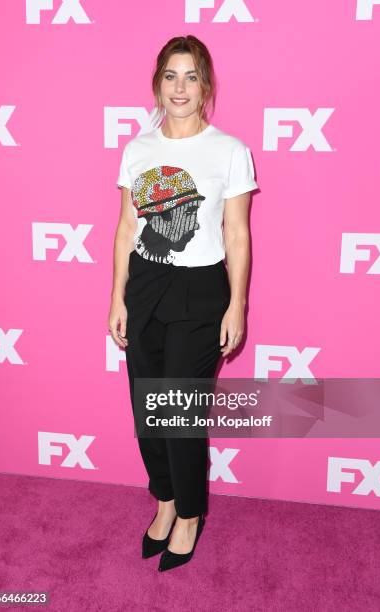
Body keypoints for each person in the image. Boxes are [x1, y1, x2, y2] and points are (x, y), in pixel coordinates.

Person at [108, 35, 258, 572]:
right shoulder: (138, 149)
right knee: (148, 411)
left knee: (178, 412)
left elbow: (236, 235)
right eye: (171, 76)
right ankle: (166, 500)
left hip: (200, 291)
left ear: (206, 86)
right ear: (157, 83)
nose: (180, 88)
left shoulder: (229, 150)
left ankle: (191, 513)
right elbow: (127, 227)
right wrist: (116, 299)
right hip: (146, 284)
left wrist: (237, 304)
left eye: (191, 76)